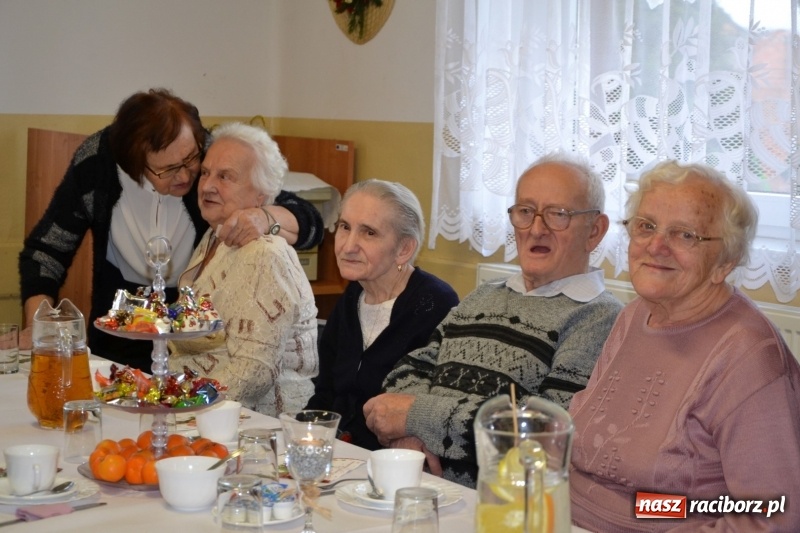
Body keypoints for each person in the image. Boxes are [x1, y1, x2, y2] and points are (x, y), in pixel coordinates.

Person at [364, 154, 624, 487]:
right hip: (422, 487)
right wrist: (409, 440)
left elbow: (544, 432)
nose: (537, 229)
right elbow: (411, 370)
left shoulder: (598, 317)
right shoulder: (484, 295)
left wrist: (414, 417)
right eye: (526, 212)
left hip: (497, 508)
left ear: (595, 231)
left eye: (558, 215)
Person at [18, 89, 323, 370]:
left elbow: (310, 221)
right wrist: (39, 324)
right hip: (117, 342)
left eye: (191, 160)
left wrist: (265, 216)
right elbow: (46, 251)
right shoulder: (98, 163)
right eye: (167, 169)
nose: (188, 175)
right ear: (133, 165)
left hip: (193, 353)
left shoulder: (208, 160)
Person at [569, 161, 800, 531]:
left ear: (726, 260)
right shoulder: (633, 317)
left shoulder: (747, 356)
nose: (656, 246)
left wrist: (642, 515)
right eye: (646, 226)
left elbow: (773, 514)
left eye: (685, 235)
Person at [167, 122, 318, 416]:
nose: (208, 185)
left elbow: (253, 374)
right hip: (209, 410)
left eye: (225, 176)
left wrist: (183, 408)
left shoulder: (264, 253)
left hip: (259, 426)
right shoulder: (214, 236)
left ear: (261, 196)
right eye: (207, 173)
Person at [304, 179, 459, 449]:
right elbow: (325, 396)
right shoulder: (351, 299)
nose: (348, 245)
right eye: (344, 227)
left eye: (369, 233)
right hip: (341, 453)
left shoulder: (435, 304)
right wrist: (301, 439)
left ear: (404, 249)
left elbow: (440, 410)